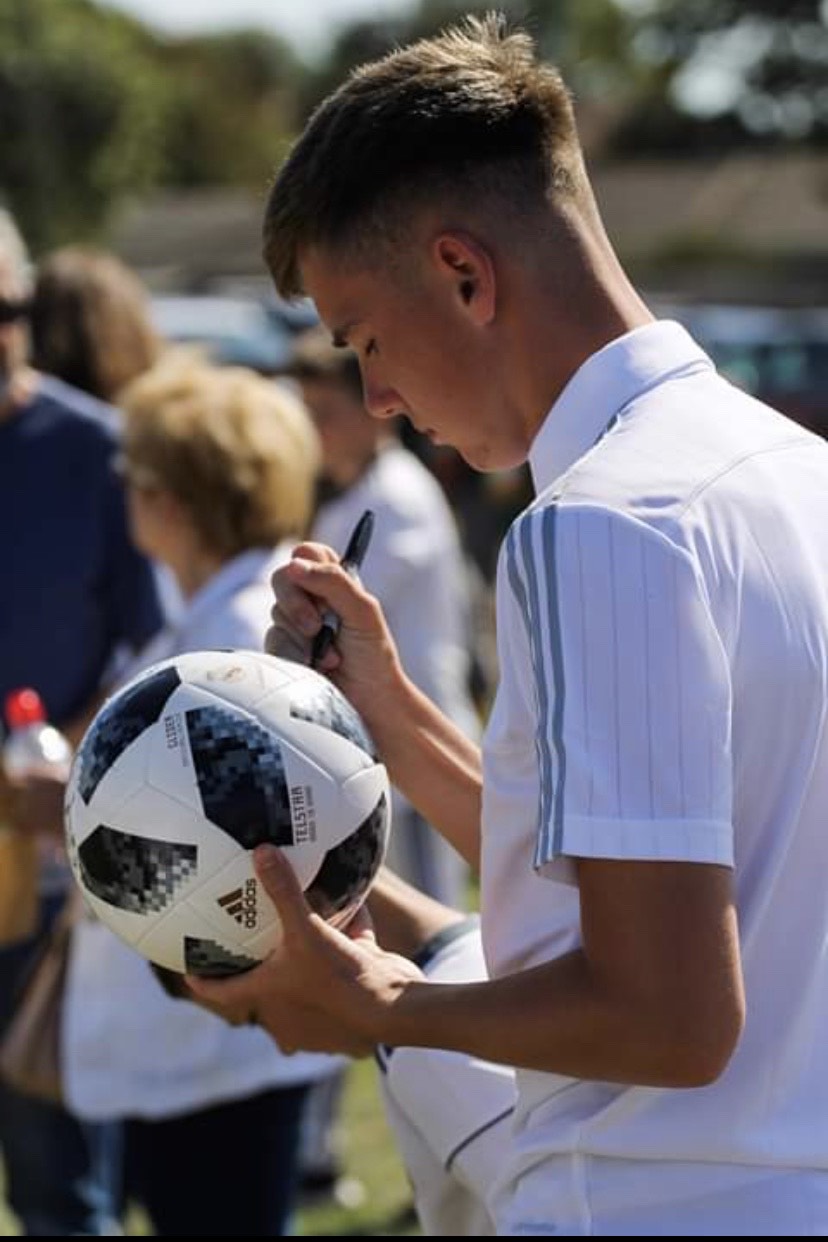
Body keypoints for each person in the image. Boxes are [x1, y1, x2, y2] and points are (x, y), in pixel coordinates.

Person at [189, 13, 828, 1236]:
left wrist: (381, 1005)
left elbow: (673, 1019)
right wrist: (390, 705)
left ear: (465, 273)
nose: (374, 396)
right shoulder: (792, 470)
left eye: (365, 338)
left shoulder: (600, 522)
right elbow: (631, 881)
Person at [60, 356, 344, 1236]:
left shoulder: (232, 644)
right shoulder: (209, 619)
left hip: (224, 1035)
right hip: (203, 1026)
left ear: (173, 498)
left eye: (135, 479)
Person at [282, 322, 482, 1202]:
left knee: (428, 952)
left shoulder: (396, 498)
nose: (314, 429)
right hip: (373, 761)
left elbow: (351, 635)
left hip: (419, 764)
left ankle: (451, 1144)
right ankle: (335, 1151)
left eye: (324, 410)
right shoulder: (346, 494)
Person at [0, 207, 164, 1234]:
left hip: (47, 872)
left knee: (61, 1185)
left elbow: (151, 655)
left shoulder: (99, 451)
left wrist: (60, 755)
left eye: (8, 307)